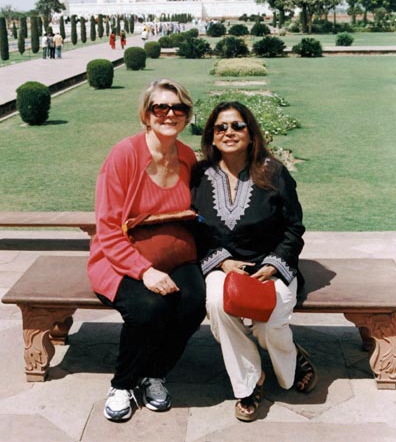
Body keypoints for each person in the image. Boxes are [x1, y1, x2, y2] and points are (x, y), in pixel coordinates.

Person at [87, 78, 206, 423]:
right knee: (148, 307)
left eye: (178, 108)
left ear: (186, 115)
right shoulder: (124, 154)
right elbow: (108, 228)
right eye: (160, 107)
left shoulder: (185, 155)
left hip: (178, 254)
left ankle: (154, 373)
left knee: (192, 303)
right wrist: (145, 271)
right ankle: (123, 384)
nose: (169, 114)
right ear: (147, 113)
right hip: (121, 256)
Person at [190, 101, 317, 422]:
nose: (229, 132)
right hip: (224, 267)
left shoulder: (273, 172)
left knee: (268, 324)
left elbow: (294, 227)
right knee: (219, 304)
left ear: (250, 132)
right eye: (221, 127)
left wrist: (275, 264)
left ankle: (292, 359)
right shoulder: (200, 175)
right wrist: (221, 263)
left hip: (271, 267)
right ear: (211, 136)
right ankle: (249, 382)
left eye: (237, 126)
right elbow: (195, 229)